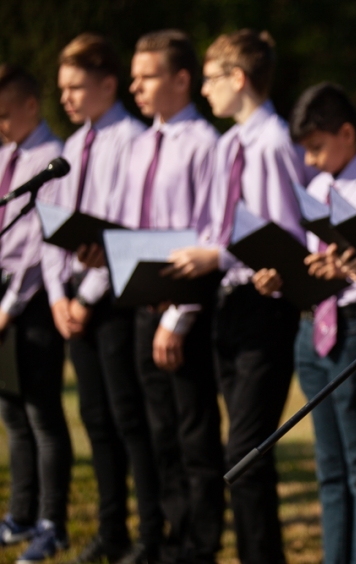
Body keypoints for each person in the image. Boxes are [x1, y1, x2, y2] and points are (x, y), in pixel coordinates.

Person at [81, 30, 225, 564]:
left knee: (194, 433)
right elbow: (127, 223)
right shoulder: (141, 143)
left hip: (183, 309)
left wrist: (180, 317)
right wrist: (102, 251)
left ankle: (199, 545)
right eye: (135, 77)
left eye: (147, 77)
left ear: (181, 79)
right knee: (159, 431)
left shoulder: (205, 144)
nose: (136, 87)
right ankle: (168, 537)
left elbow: (208, 232)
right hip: (142, 303)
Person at [165, 29, 308, 564]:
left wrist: (218, 258)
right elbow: (214, 224)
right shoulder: (229, 143)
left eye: (209, 77)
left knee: (245, 453)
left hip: (262, 305)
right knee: (244, 454)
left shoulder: (271, 143)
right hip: (227, 305)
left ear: (238, 79)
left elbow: (283, 236)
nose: (204, 90)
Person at [39, 34, 163, 564]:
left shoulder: (130, 141)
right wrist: (57, 297)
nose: (66, 97)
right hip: (71, 299)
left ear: (107, 84)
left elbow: (123, 228)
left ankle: (151, 529)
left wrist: (87, 297)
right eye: (61, 88)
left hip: (112, 297)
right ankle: (111, 529)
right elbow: (52, 227)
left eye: (76, 87)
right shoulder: (71, 148)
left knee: (127, 419)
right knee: (94, 417)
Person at [288, 82, 356, 564]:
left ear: (346, 133)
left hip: (355, 325)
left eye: (316, 148)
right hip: (313, 328)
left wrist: (350, 265)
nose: (309, 161)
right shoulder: (314, 188)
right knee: (327, 465)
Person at [0, 64, 71, 564]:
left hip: (35, 302)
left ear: (30, 105)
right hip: (2, 298)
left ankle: (53, 520)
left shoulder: (53, 160)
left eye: (4, 114)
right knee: (12, 411)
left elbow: (35, 241)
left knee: (43, 414)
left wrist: (7, 306)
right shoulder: (4, 156)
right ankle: (20, 513)